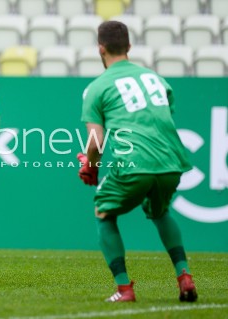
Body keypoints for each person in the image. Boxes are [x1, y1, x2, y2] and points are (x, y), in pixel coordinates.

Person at [77, 21, 198, 302]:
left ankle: (124, 289)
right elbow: (164, 117)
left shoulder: (96, 88)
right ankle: (184, 276)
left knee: (104, 212)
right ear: (129, 47)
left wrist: (89, 167)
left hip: (135, 162)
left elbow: (96, 142)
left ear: (100, 48)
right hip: (171, 162)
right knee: (160, 211)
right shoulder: (157, 79)